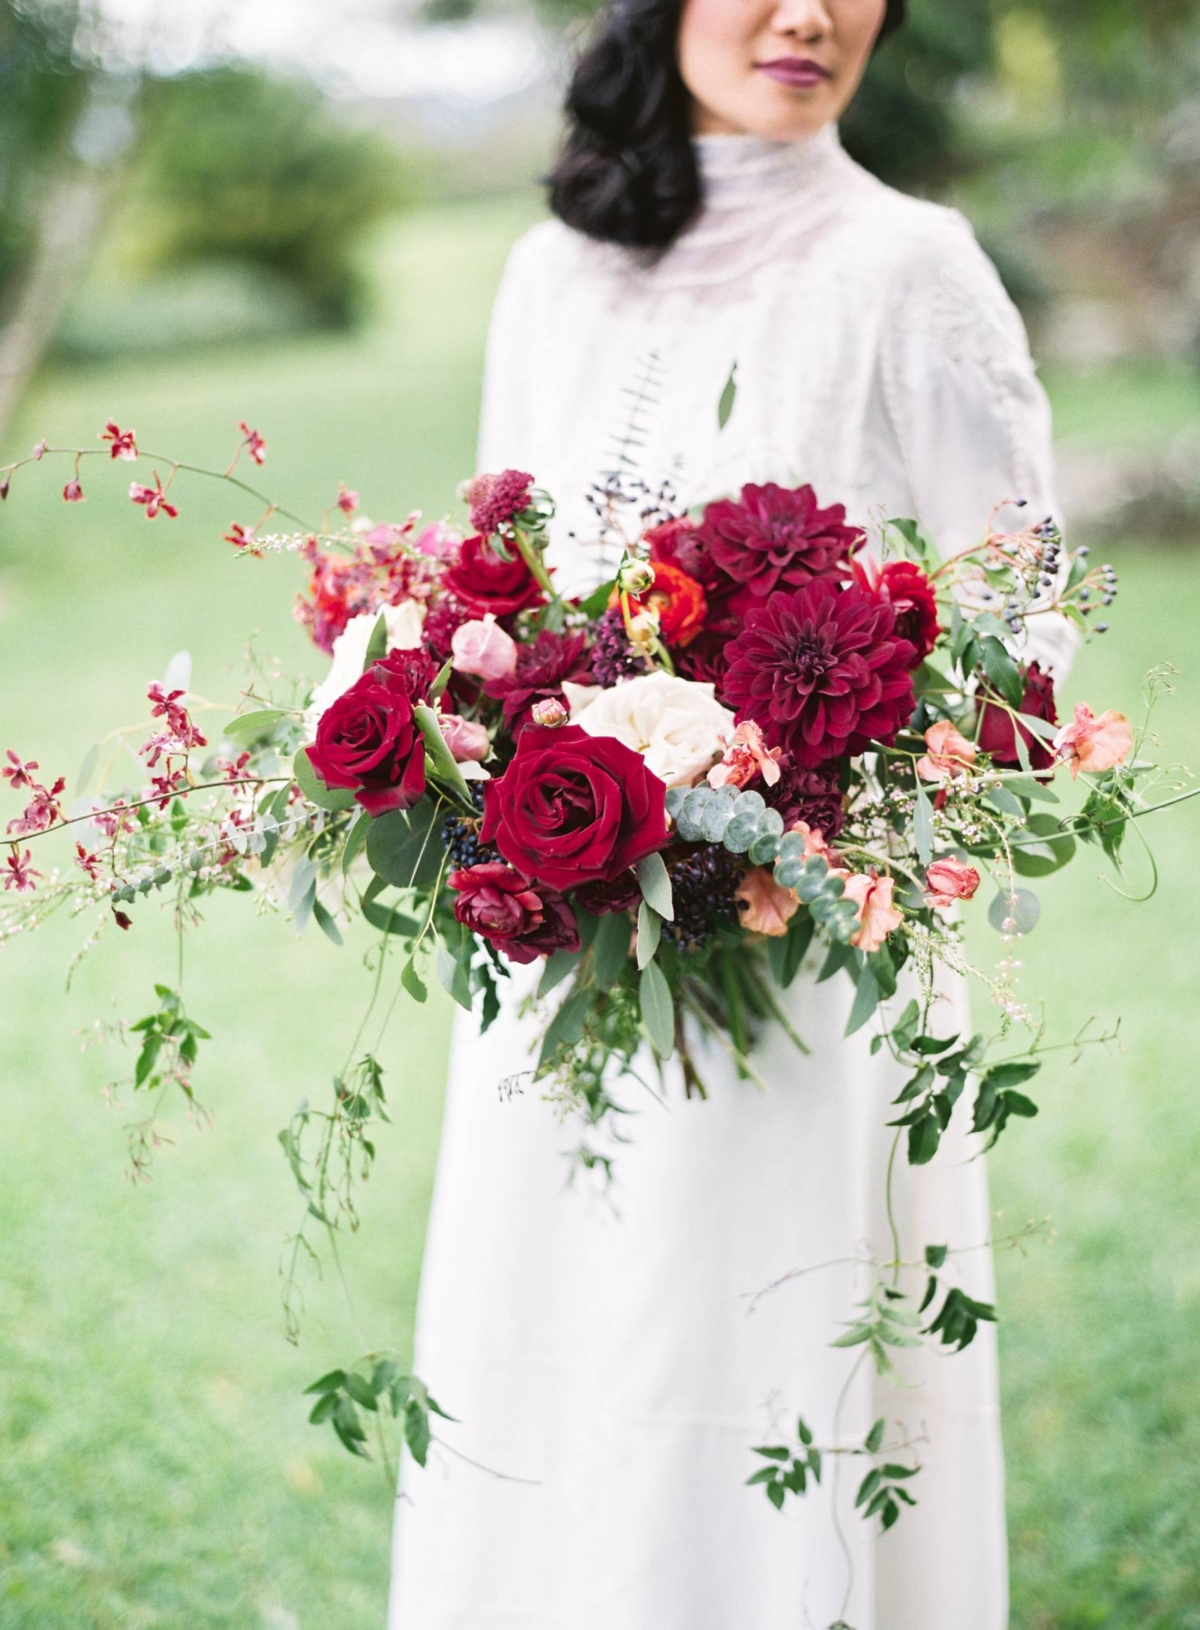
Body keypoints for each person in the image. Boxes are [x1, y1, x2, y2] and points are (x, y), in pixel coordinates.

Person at [390, 3, 1075, 1625]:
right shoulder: (550, 270)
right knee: (556, 1335)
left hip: (808, 951)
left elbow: (1029, 636)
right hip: (564, 939)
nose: (810, 13)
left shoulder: (913, 266)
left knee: (763, 1345)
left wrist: (825, 768)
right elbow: (497, 583)